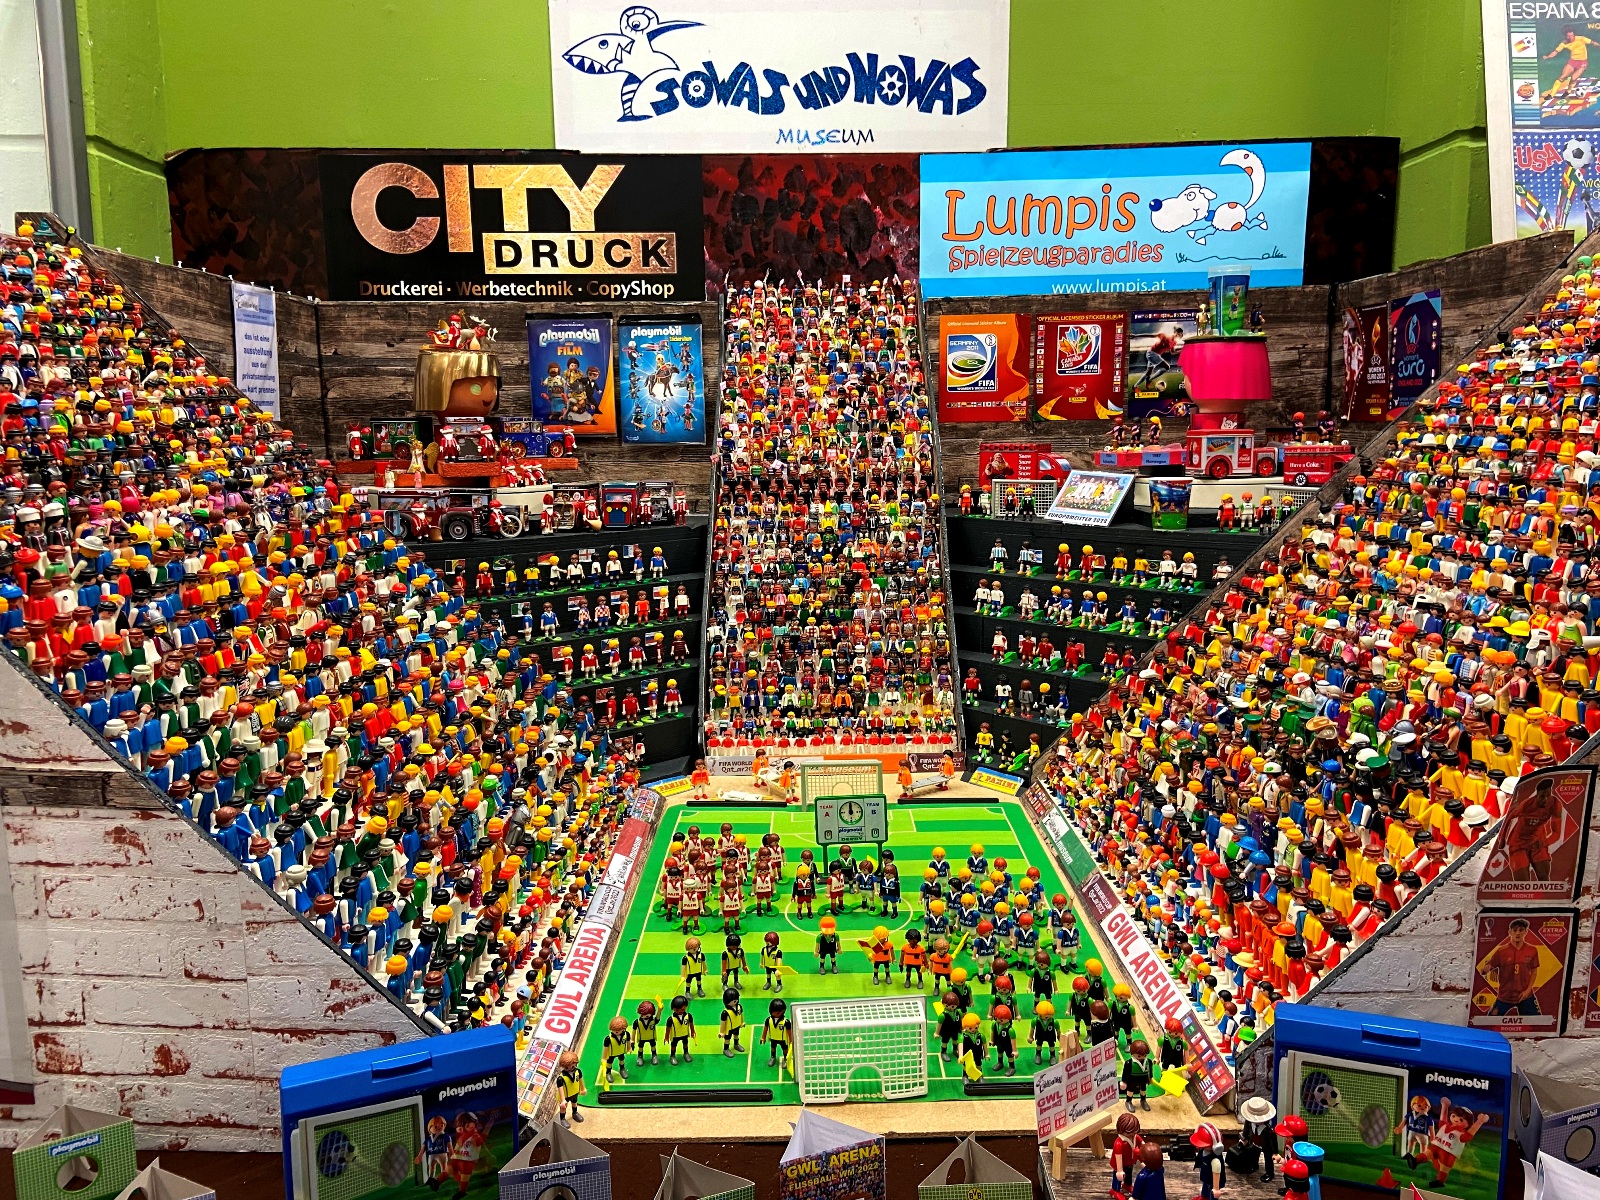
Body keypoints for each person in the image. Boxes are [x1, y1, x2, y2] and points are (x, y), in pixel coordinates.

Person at [1483, 918, 1542, 1017]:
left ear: (1526, 932)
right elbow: (1486, 969)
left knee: (1536, 1023)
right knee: (1490, 1022)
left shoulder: (1532, 950)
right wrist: (1485, 970)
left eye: (1521, 930)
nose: (1517, 933)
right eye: (1515, 930)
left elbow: (1534, 971)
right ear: (1510, 932)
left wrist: (1528, 991)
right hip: (1504, 996)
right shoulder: (1501, 951)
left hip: (1525, 996)